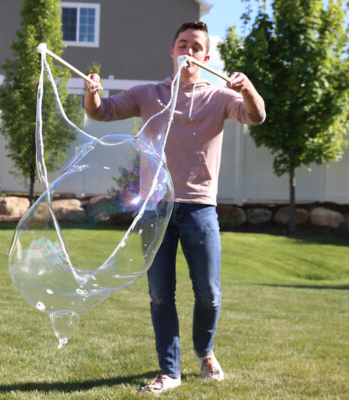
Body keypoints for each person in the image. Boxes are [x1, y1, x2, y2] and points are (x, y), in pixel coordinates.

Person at [83, 21, 265, 393]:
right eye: (182, 44)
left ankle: (206, 352)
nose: (189, 51)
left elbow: (257, 116)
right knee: (161, 294)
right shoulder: (148, 94)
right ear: (172, 51)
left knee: (209, 293)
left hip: (200, 209)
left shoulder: (220, 96)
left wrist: (248, 89)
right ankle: (170, 371)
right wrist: (92, 93)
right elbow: (99, 113)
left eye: (196, 47)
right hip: (155, 209)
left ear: (207, 56)